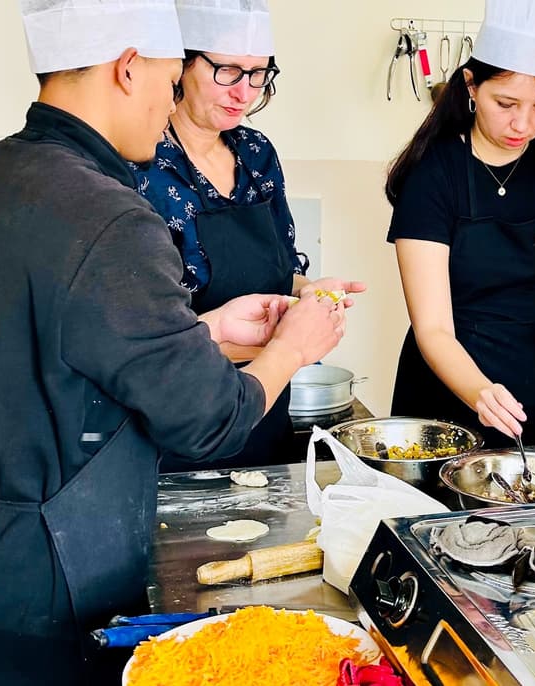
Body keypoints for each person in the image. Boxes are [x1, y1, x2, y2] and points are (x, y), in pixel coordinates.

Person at [0, 1, 351, 683]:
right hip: (68, 581)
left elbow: (68, 350)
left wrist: (206, 329)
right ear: (129, 69)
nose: (168, 101)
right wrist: (293, 347)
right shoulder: (107, 212)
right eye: (168, 76)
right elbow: (212, 419)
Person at [133, 0, 361, 471]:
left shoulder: (256, 154)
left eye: (259, 74)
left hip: (266, 398)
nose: (245, 92)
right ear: (182, 64)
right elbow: (138, 332)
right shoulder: (142, 165)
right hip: (178, 414)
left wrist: (310, 295)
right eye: (228, 71)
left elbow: (282, 271)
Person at [384, 0, 535, 449]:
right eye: (505, 103)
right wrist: (479, 392)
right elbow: (433, 328)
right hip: (449, 394)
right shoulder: (433, 174)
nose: (522, 124)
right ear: (471, 85)